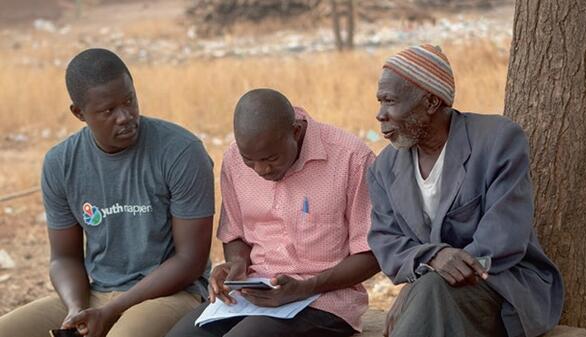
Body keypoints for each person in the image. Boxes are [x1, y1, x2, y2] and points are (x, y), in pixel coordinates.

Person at [0, 48, 215, 337]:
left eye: (129, 101)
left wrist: (112, 312)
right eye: (108, 110)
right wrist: (76, 309)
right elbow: (64, 258)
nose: (125, 116)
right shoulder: (61, 163)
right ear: (79, 113)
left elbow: (191, 261)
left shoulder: (180, 151)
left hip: (171, 294)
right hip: (96, 296)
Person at [367, 44, 564, 337]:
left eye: (389, 101)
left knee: (432, 290)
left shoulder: (497, 141)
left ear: (431, 102)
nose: (380, 115)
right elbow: (386, 242)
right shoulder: (384, 167)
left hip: (501, 285)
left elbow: (504, 236)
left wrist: (421, 282)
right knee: (432, 292)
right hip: (433, 292)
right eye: (380, 102)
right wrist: (432, 260)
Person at [166, 88, 380, 337]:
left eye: (271, 158)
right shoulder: (234, 160)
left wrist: (305, 287)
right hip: (255, 293)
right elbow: (236, 235)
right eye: (250, 160)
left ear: (296, 132)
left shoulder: (350, 159)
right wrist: (237, 266)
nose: (261, 170)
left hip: (323, 299)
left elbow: (371, 253)